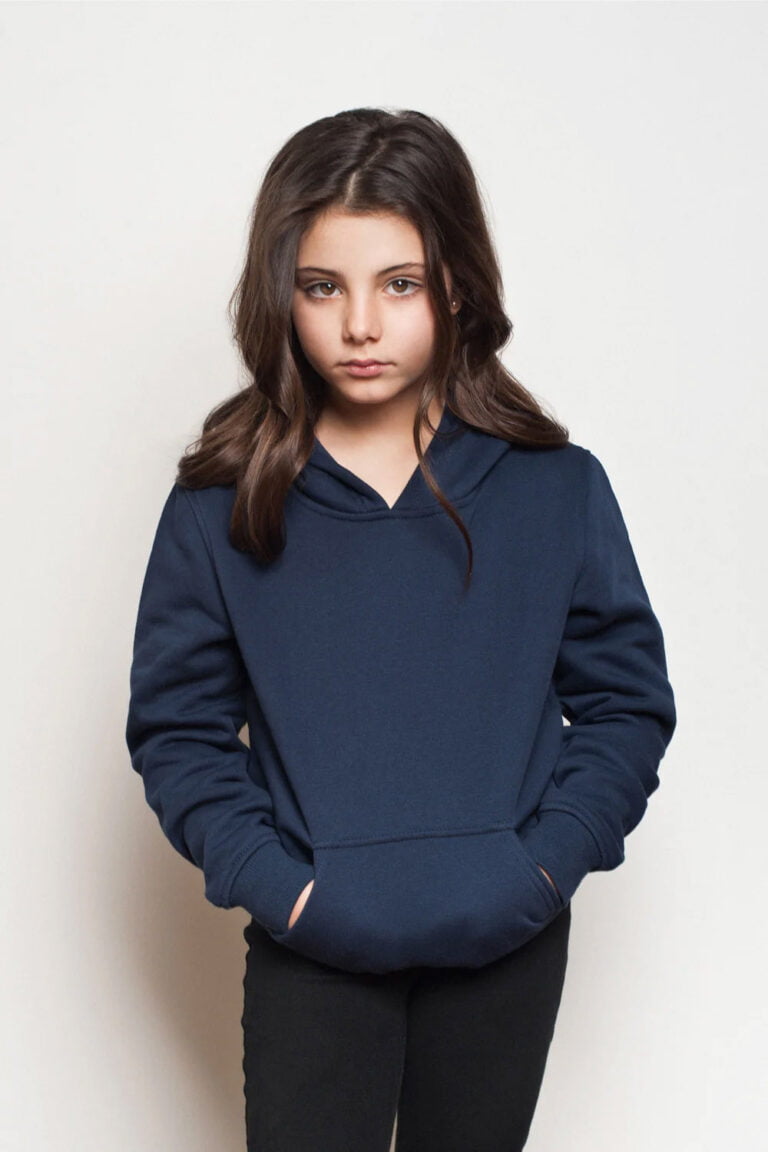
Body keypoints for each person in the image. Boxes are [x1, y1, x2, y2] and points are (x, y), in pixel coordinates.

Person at [125, 108, 677, 1152]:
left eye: (400, 284)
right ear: (281, 291)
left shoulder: (555, 490)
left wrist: (542, 869)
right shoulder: (220, 507)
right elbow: (178, 731)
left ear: (456, 285)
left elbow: (626, 705)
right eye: (323, 286)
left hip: (507, 945)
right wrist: (285, 893)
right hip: (313, 946)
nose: (360, 326)